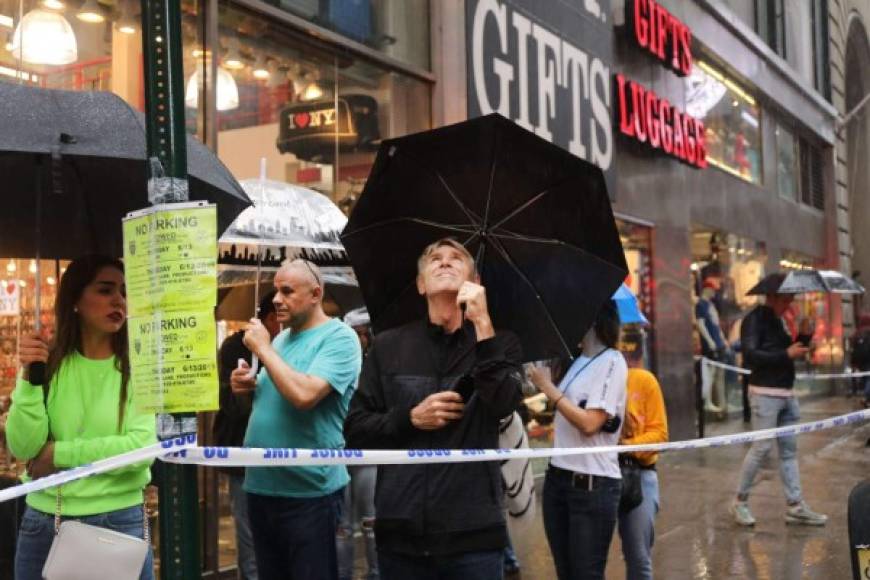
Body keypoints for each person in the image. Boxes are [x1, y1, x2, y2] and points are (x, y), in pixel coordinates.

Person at [344, 238, 523, 580]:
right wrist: (410, 418)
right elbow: (355, 429)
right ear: (421, 284)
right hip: (401, 535)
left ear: (475, 282)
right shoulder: (387, 346)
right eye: (434, 259)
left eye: (456, 258)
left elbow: (504, 403)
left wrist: (484, 325)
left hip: (474, 536)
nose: (445, 262)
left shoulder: (501, 343)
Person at [8, 255, 157, 580]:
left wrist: (59, 455)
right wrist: (29, 376)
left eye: (123, 291)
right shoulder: (49, 366)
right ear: (75, 300)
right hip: (47, 522)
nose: (118, 300)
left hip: (118, 521)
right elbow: (23, 446)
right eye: (105, 290)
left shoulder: (137, 369)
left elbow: (141, 447)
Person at [231, 259, 362, 580]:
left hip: (309, 492)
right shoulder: (281, 340)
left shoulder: (340, 338)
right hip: (262, 487)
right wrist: (245, 387)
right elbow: (270, 404)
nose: (277, 299)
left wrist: (264, 351)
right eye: (276, 289)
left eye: (287, 291)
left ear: (316, 293)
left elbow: (304, 396)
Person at [529, 300, 627, 580]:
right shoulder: (575, 362)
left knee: (586, 574)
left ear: (593, 318)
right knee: (565, 572)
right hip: (558, 480)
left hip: (592, 485)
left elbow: (590, 423)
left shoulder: (612, 360)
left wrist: (548, 388)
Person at [731, 275, 827, 527]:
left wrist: (804, 338)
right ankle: (740, 501)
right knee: (761, 448)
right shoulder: (753, 320)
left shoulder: (780, 320)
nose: (790, 304)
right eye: (785, 299)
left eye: (791, 299)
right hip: (765, 394)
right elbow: (751, 356)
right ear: (771, 297)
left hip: (786, 393)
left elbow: (790, 351)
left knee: (788, 452)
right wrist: (787, 352)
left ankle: (795, 505)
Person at [213, 290, 280, 580]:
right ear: (269, 318)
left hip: (282, 454)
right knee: (249, 533)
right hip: (242, 452)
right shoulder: (235, 346)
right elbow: (233, 406)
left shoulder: (290, 346)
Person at [616, 328, 668, 580]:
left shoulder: (645, 381)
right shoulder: (604, 378)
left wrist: (626, 444)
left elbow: (659, 435)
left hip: (639, 476)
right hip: (603, 475)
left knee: (638, 558)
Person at [337, 306, 379, 580]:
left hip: (367, 452)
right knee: (343, 525)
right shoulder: (338, 362)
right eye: (355, 333)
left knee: (370, 521)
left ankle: (376, 572)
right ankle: (344, 574)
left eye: (363, 333)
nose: (360, 338)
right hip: (340, 452)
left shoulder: (377, 364)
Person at [695, 278, 728, 413]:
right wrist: (710, 342)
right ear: (707, 289)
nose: (714, 292)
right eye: (713, 289)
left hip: (718, 343)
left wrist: (722, 338)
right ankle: (707, 402)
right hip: (711, 345)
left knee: (719, 375)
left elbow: (716, 324)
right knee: (709, 374)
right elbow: (701, 325)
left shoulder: (710, 305)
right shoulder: (701, 305)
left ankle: (722, 403)